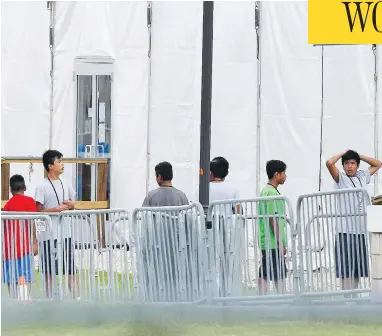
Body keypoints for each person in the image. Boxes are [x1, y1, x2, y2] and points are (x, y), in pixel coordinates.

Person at [326, 150, 382, 290]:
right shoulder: (341, 178)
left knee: (357, 268)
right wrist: (343, 153)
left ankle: (354, 297)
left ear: (357, 165)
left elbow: (378, 164)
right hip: (345, 230)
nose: (349, 166)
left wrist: (360, 156)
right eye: (346, 163)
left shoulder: (363, 176)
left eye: (352, 163)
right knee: (346, 269)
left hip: (360, 231)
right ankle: (346, 298)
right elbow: (329, 163)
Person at [34, 150, 78, 298]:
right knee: (49, 271)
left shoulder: (65, 182)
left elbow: (73, 202)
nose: (62, 164)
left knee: (71, 269)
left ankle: (77, 299)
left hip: (66, 234)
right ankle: (49, 300)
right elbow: (38, 211)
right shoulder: (41, 186)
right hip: (48, 235)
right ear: (50, 166)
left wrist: (71, 205)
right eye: (59, 162)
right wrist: (56, 210)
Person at [2, 175, 39, 301]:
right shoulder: (30, 202)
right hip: (24, 244)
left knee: (11, 275)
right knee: (24, 274)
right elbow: (32, 223)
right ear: (25, 187)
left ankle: (14, 301)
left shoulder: (8, 205)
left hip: (8, 246)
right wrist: (35, 241)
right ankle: (24, 299)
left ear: (11, 189)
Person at [257, 160, 288, 295]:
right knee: (277, 272)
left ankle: (265, 299)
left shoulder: (266, 191)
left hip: (268, 240)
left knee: (267, 270)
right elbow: (272, 218)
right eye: (284, 173)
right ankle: (280, 298)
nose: (285, 176)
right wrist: (280, 242)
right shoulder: (272, 193)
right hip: (272, 241)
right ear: (277, 174)